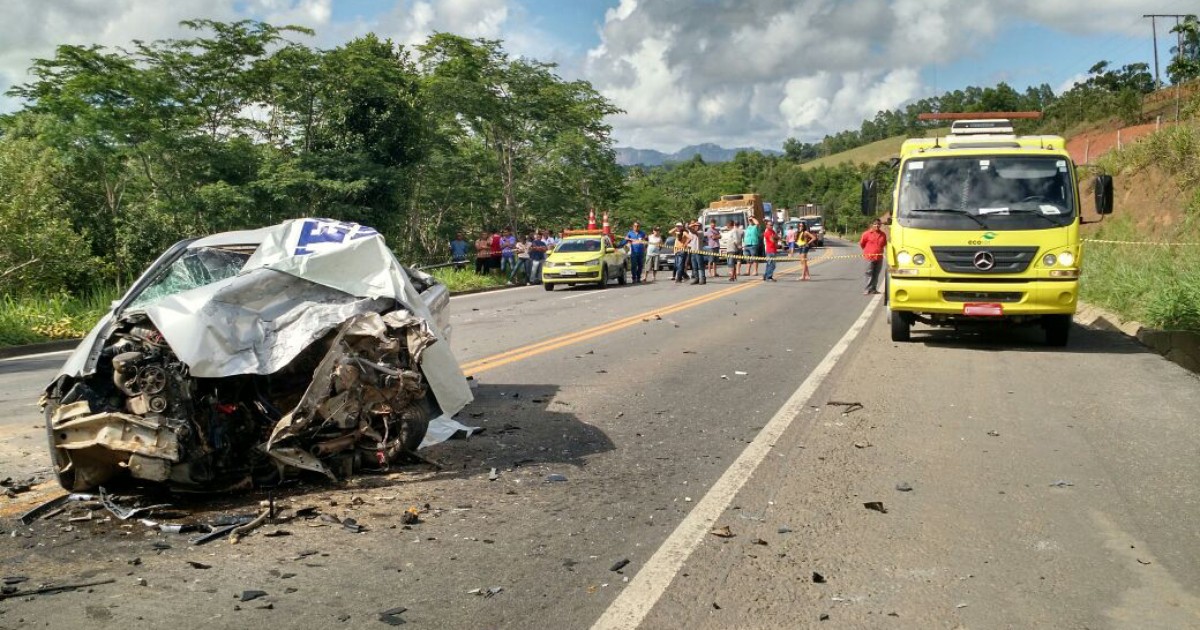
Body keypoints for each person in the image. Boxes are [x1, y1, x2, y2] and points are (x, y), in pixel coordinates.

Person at [860, 217, 888, 294]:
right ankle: (867, 289)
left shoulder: (883, 235)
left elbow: (884, 244)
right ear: (872, 225)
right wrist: (868, 251)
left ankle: (874, 289)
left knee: (876, 274)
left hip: (879, 257)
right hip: (869, 257)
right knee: (869, 273)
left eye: (879, 224)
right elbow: (862, 244)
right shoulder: (866, 234)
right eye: (875, 224)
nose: (877, 226)